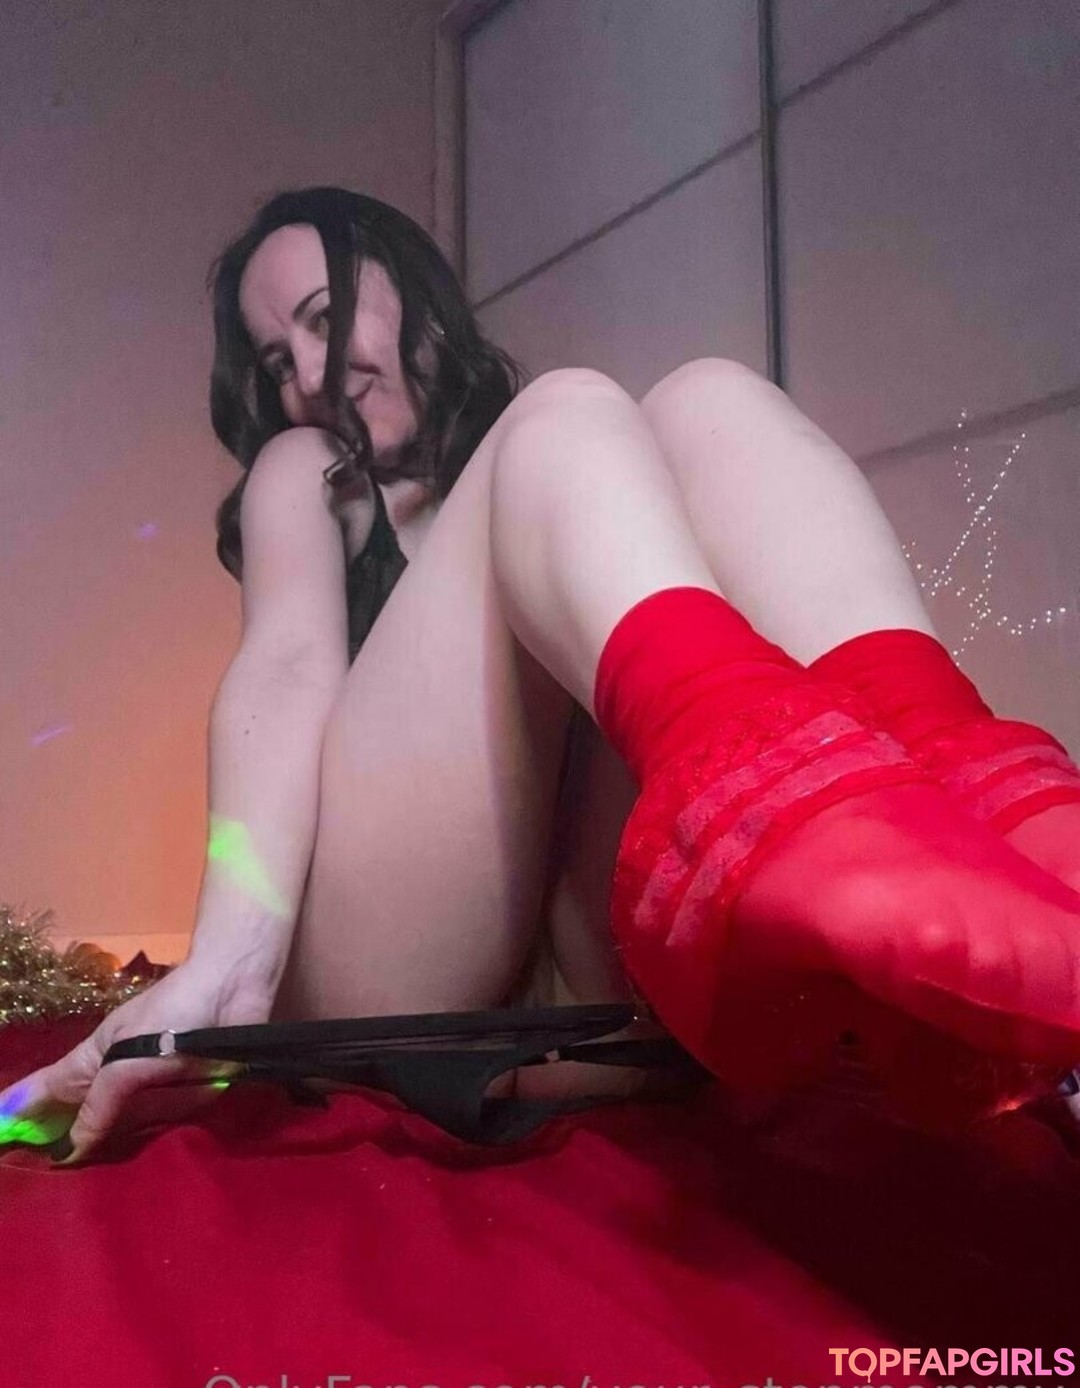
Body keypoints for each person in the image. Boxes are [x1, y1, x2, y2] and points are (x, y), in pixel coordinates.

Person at [6, 186, 1080, 1164]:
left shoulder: (566, 466)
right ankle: (843, 818)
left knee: (710, 400)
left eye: (325, 319)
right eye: (277, 360)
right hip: (395, 973)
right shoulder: (310, 473)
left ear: (414, 295)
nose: (310, 376)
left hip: (595, 988)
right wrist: (227, 960)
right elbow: (284, 667)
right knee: (563, 414)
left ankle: (982, 797)